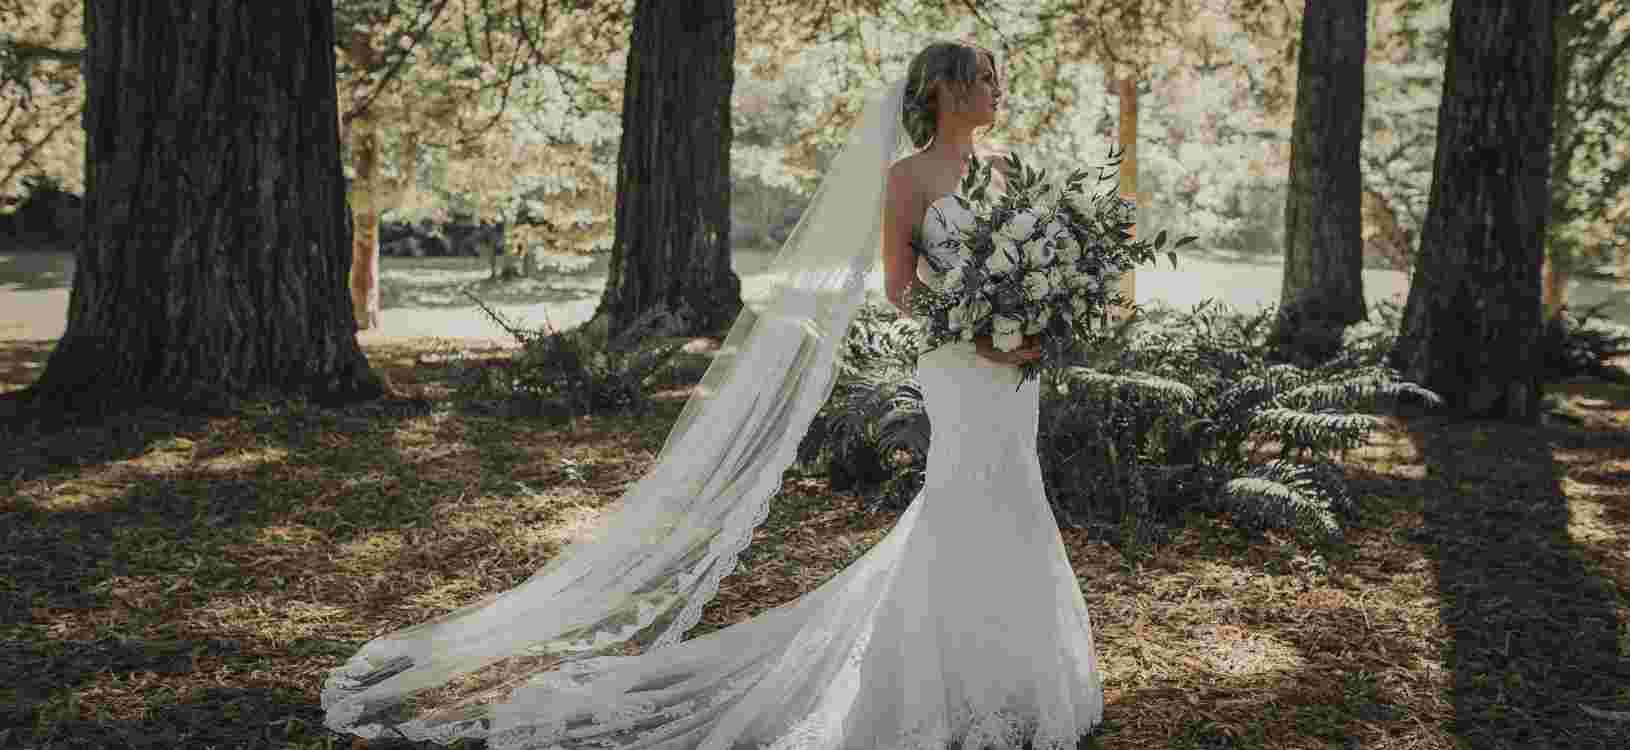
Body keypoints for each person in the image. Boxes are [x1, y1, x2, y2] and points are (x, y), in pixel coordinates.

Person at [324, 40, 1103, 750]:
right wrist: (974, 332)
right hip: (959, 365)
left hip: (1013, 367)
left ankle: (1016, 678)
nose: (998, 91)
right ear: (941, 90)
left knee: (1015, 492)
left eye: (999, 80)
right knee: (963, 496)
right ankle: (940, 686)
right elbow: (901, 288)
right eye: (983, 80)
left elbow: (1036, 262)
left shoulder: (1006, 172)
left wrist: (1033, 321)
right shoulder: (906, 179)